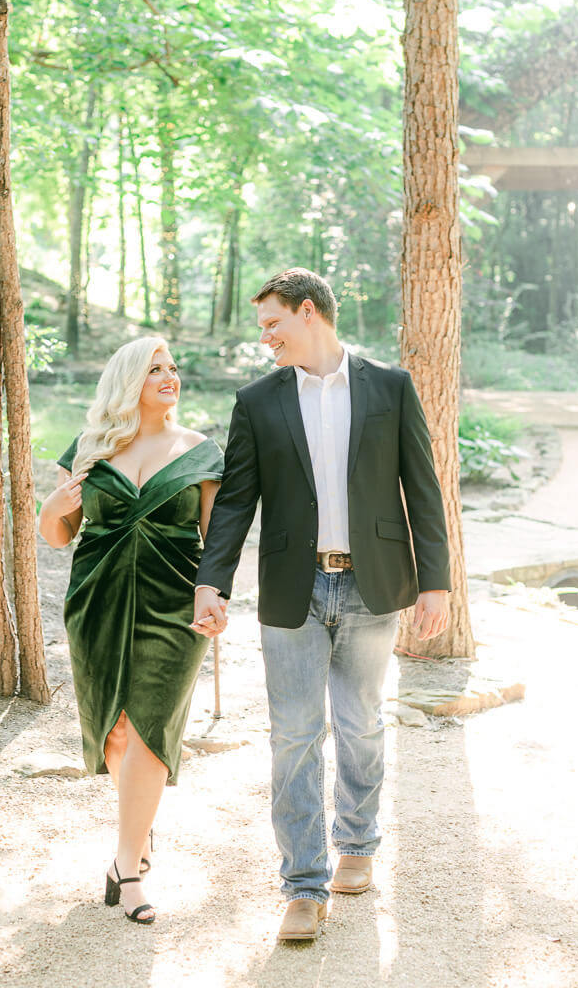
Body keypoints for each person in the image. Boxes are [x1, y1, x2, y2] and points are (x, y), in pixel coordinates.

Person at [193, 268, 451, 942]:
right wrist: (209, 579)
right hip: (292, 589)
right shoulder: (257, 401)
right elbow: (236, 505)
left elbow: (422, 488)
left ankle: (358, 844)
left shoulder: (389, 387)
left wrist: (437, 580)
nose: (266, 339)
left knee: (360, 722)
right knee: (296, 736)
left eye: (272, 324)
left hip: (374, 585)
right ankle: (303, 886)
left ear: (309, 312)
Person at [39, 337, 223, 925]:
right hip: (97, 600)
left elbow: (216, 541)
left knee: (149, 729)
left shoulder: (200, 453)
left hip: (174, 607)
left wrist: (217, 596)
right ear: (127, 382)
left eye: (173, 367)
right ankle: (138, 832)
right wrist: (53, 505)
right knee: (115, 731)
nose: (170, 377)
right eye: (155, 370)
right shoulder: (90, 451)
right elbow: (57, 534)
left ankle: (128, 868)